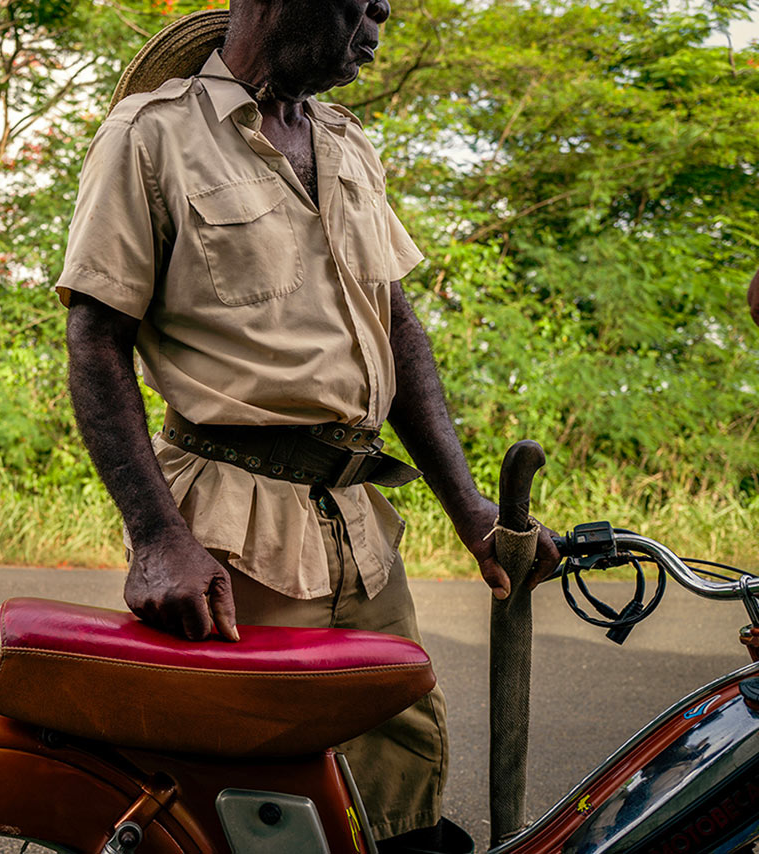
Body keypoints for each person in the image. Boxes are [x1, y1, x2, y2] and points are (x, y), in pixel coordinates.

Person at [56, 2, 559, 850]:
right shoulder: (150, 137)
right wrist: (155, 536)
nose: (379, 19)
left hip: (358, 528)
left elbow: (396, 330)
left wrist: (469, 506)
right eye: (361, 2)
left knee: (393, 782)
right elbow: (95, 340)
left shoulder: (348, 142)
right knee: (248, 805)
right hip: (226, 529)